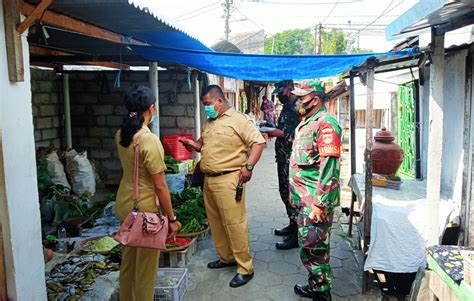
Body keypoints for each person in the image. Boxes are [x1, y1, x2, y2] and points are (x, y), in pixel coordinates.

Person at [180, 85, 266, 288]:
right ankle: (226, 257)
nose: (206, 109)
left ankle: (245, 268)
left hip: (229, 179)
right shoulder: (210, 122)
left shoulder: (238, 120)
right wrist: (194, 145)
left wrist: (249, 166)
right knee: (216, 222)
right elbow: (205, 144)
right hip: (209, 179)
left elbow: (258, 143)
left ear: (219, 101)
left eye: (207, 104)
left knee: (234, 223)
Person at [115, 85, 180, 301]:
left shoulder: (121, 134)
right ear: (151, 108)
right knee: (145, 270)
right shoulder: (148, 139)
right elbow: (160, 185)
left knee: (129, 263)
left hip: (125, 204)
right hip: (144, 211)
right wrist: (172, 219)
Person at [289, 81, 341, 301]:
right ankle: (315, 285)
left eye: (302, 98)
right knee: (308, 245)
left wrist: (320, 203)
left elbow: (330, 167)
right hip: (304, 198)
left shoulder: (326, 124)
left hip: (314, 201)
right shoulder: (307, 121)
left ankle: (321, 292)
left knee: (314, 247)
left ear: (316, 99)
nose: (298, 102)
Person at [265, 80, 300, 250]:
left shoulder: (298, 107)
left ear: (290, 88)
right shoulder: (287, 106)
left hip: (292, 159)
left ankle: (297, 236)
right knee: (284, 192)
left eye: (281, 91)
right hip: (282, 157)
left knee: (292, 195)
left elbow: (299, 134)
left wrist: (276, 133)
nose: (279, 95)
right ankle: (292, 225)